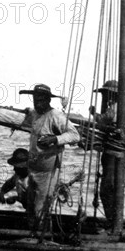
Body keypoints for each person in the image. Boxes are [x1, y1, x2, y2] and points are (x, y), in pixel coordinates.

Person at [20, 83, 80, 231]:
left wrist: (55, 139)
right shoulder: (34, 114)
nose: (37, 102)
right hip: (33, 168)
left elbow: (75, 135)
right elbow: (28, 121)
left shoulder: (56, 116)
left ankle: (43, 237)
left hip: (48, 172)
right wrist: (27, 111)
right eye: (35, 99)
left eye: (40, 100)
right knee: (30, 206)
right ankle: (32, 233)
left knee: (41, 207)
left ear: (48, 100)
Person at [90, 80, 125, 222]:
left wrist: (94, 113)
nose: (104, 98)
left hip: (114, 154)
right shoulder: (116, 107)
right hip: (111, 153)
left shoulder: (114, 107)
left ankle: (113, 222)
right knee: (110, 189)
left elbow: (104, 120)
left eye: (106, 95)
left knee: (107, 190)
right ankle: (113, 222)